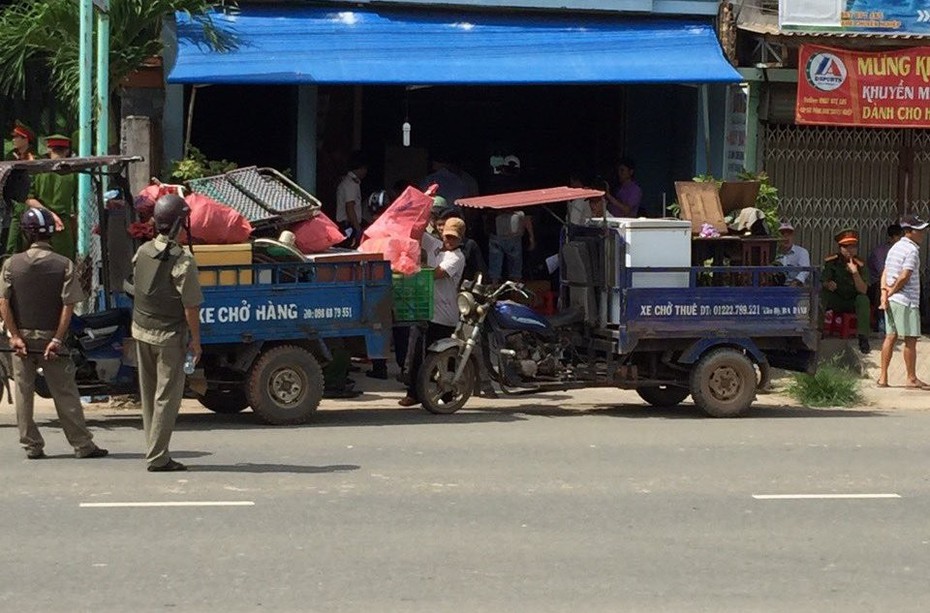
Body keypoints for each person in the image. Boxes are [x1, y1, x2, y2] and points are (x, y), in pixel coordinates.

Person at [0, 208, 107, 460]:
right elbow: (68, 305)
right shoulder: (64, 265)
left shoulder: (11, 264)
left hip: (20, 340)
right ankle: (82, 445)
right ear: (51, 235)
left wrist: (15, 337)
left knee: (24, 392)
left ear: (26, 234)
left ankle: (32, 445)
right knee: (65, 391)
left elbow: (3, 303)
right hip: (52, 339)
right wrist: (57, 339)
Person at [130, 194, 203, 472]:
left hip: (141, 330)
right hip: (168, 337)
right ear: (176, 226)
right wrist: (196, 341)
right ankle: (158, 457)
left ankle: (153, 448)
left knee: (149, 396)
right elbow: (191, 306)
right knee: (166, 398)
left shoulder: (143, 250)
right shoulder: (182, 261)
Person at [399, 217, 466, 407]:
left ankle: (447, 395)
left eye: (453, 238)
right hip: (425, 310)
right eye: (447, 236)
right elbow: (416, 232)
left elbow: (435, 275)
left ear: (460, 239)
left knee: (441, 358)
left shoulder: (457, 258)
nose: (449, 241)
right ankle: (413, 393)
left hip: (444, 316)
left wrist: (412, 269)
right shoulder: (435, 245)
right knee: (417, 355)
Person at [877, 214, 929, 389]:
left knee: (890, 337)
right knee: (911, 339)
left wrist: (885, 293)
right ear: (909, 232)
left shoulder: (895, 248)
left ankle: (883, 378)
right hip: (906, 300)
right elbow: (905, 275)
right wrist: (892, 291)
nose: (923, 233)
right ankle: (911, 377)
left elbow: (885, 271)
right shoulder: (912, 250)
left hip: (892, 299)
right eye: (919, 230)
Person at [7, 134, 76, 259]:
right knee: (64, 263)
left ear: (49, 149)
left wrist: (50, 214)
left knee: (34, 261)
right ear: (67, 150)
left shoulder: (37, 171)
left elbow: (28, 198)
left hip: (37, 224)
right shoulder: (73, 174)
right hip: (63, 226)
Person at [822, 229, 871, 353]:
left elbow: (863, 290)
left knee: (863, 299)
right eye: (846, 247)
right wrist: (828, 284)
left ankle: (863, 338)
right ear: (840, 248)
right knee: (822, 295)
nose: (850, 250)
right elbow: (823, 280)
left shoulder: (860, 264)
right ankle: (819, 331)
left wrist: (855, 273)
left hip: (852, 301)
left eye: (853, 246)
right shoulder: (831, 261)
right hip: (837, 299)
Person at [867, 223, 903, 315]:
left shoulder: (903, 251)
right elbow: (882, 272)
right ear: (890, 238)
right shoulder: (879, 252)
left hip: (896, 280)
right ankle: (881, 319)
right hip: (876, 284)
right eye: (897, 238)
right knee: (882, 287)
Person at [335, 151, 368, 248]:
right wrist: (357, 228)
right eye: (365, 168)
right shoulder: (351, 184)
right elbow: (350, 207)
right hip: (348, 225)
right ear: (360, 168)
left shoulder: (348, 182)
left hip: (348, 225)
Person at [774, 221, 811, 286]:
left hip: (796, 288)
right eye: (783, 234)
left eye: (789, 234)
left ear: (793, 236)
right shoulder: (773, 253)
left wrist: (796, 282)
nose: (786, 238)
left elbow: (805, 271)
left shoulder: (802, 252)